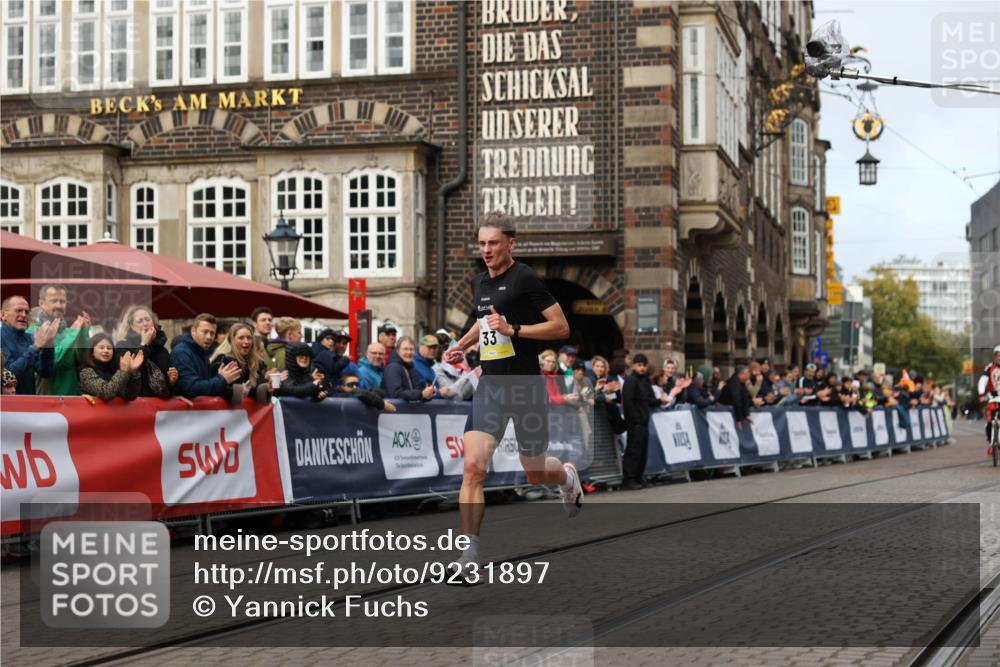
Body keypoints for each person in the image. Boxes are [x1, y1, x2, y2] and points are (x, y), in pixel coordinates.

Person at [441, 215, 582, 581]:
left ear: (510, 244)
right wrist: (461, 345)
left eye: (493, 243)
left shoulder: (525, 278)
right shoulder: (479, 281)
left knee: (535, 474)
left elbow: (561, 326)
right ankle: (468, 553)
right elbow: (482, 319)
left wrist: (514, 329)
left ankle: (566, 478)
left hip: (525, 388)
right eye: (482, 243)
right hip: (490, 387)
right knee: (474, 467)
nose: (486, 250)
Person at [622, 354, 672, 490]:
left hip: (644, 421)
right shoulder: (631, 381)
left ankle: (638, 476)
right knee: (633, 451)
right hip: (635, 422)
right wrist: (635, 419)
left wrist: (659, 401)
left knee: (642, 451)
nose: (642, 368)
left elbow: (648, 399)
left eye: (644, 365)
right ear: (633, 365)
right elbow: (628, 402)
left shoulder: (645, 381)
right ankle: (628, 479)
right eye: (639, 365)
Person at [28, 284, 89, 395]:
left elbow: (84, 360)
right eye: (54, 301)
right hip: (47, 403)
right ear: (41, 303)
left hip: (72, 402)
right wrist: (73, 333)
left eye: (62, 301)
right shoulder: (33, 332)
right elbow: (51, 361)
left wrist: (83, 333)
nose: (59, 305)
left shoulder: (68, 332)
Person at [170, 313, 244, 399]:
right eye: (205, 332)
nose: (209, 337)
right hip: (186, 411)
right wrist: (222, 379)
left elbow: (204, 384)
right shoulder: (182, 353)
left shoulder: (202, 352)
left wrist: (219, 377)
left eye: (212, 333)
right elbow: (191, 388)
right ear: (193, 331)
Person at [115, 305, 178, 398]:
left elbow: (166, 390)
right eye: (140, 321)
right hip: (135, 406)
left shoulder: (162, 350)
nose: (145, 323)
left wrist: (171, 381)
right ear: (132, 326)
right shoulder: (123, 346)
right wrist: (144, 343)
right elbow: (129, 376)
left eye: (147, 320)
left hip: (158, 409)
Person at [0, 296, 56, 395]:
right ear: (3, 314)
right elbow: (8, 375)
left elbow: (45, 373)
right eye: (18, 310)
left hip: (28, 403)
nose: (24, 315)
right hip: (6, 406)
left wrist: (48, 345)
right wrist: (35, 347)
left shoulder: (29, 338)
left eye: (27, 312)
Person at [211, 322, 278, 404]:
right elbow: (214, 389)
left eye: (249, 338)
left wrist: (266, 387)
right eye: (241, 338)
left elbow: (252, 388)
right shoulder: (223, 360)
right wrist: (237, 391)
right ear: (232, 340)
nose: (246, 341)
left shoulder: (253, 362)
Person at [78, 333, 142, 402]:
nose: (106, 351)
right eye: (101, 347)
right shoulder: (86, 372)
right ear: (92, 351)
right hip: (92, 412)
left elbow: (130, 397)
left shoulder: (115, 371)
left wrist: (133, 373)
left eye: (109, 348)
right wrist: (123, 371)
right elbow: (106, 393)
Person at [382, 336, 436, 401]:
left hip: (409, 410)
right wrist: (421, 394)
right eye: (405, 349)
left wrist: (428, 393)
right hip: (395, 410)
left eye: (411, 349)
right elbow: (396, 394)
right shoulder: (393, 367)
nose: (409, 352)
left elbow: (417, 391)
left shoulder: (411, 368)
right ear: (398, 351)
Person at [332, 372, 396, 412]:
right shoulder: (337, 395)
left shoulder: (361, 393)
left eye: (357, 384)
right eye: (351, 385)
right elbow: (362, 393)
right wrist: (383, 405)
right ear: (342, 387)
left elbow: (381, 392)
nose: (355, 387)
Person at [978, 345, 1000, 450]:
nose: (999, 357)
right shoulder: (990, 367)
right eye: (997, 355)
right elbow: (983, 381)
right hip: (993, 396)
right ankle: (991, 441)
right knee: (990, 420)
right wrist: (981, 394)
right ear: (995, 356)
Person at [719, 365, 753, 429]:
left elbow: (745, 398)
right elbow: (737, 400)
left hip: (734, 410)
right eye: (747, 374)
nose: (749, 376)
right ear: (741, 374)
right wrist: (739, 419)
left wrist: (747, 414)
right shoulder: (734, 382)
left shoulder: (742, 383)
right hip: (726, 411)